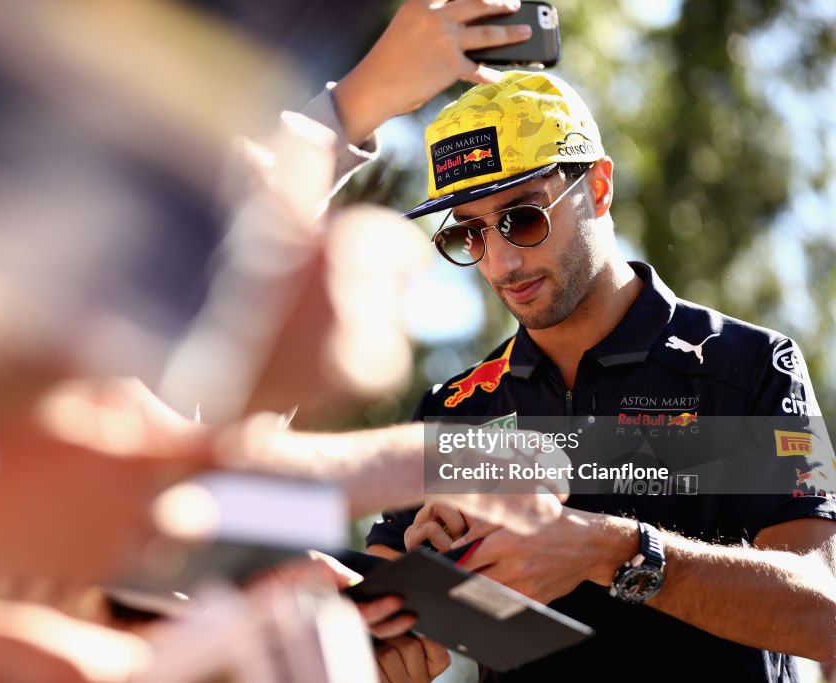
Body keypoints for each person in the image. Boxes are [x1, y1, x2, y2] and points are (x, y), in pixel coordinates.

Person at [342, 64, 836, 682]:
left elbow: (824, 612)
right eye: (469, 233)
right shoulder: (457, 407)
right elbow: (376, 617)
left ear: (599, 187)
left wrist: (614, 552)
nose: (501, 262)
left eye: (523, 218)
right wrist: (421, 598)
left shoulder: (752, 365)